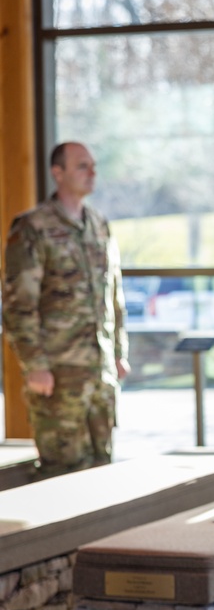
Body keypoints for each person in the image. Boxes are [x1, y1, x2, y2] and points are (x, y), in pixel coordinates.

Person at [3, 141, 130, 478]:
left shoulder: (99, 224)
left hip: (99, 373)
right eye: (81, 166)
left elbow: (113, 296)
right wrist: (35, 365)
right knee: (62, 473)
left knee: (102, 468)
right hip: (58, 375)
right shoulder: (32, 227)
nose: (92, 173)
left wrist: (118, 353)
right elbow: (18, 304)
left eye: (93, 165)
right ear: (57, 173)